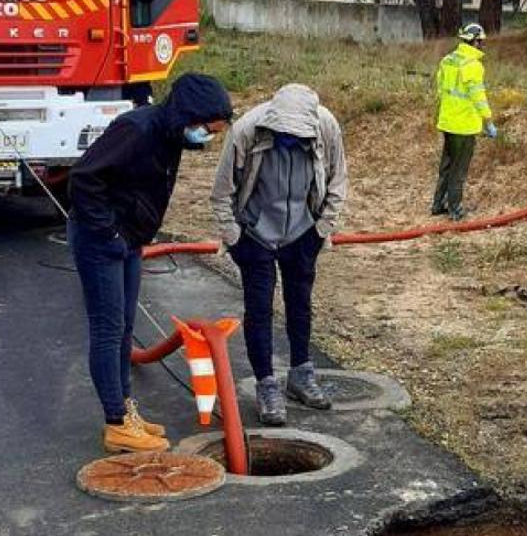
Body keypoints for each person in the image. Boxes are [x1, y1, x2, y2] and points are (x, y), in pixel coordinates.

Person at [68, 74, 233, 453]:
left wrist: (134, 233)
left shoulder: (171, 135)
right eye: (207, 130)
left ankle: (126, 408)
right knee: (108, 330)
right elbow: (84, 179)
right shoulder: (137, 129)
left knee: (126, 327)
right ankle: (116, 424)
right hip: (101, 240)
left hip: (129, 239)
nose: (206, 137)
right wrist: (109, 233)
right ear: (191, 115)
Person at [209, 84, 348, 426]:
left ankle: (301, 373)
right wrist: (235, 238)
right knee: (259, 308)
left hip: (302, 231)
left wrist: (321, 230)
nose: (289, 139)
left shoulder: (326, 127)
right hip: (255, 233)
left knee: (300, 302)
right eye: (283, 134)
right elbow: (221, 192)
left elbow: (338, 181)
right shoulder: (246, 131)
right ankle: (266, 384)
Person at [432, 22, 495, 221]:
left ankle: (438, 204)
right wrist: (488, 121)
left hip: (447, 122)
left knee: (447, 165)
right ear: (474, 42)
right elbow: (478, 97)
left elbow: (440, 89)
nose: (483, 45)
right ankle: (455, 209)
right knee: (459, 170)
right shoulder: (473, 66)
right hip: (464, 126)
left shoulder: (448, 60)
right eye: (481, 41)